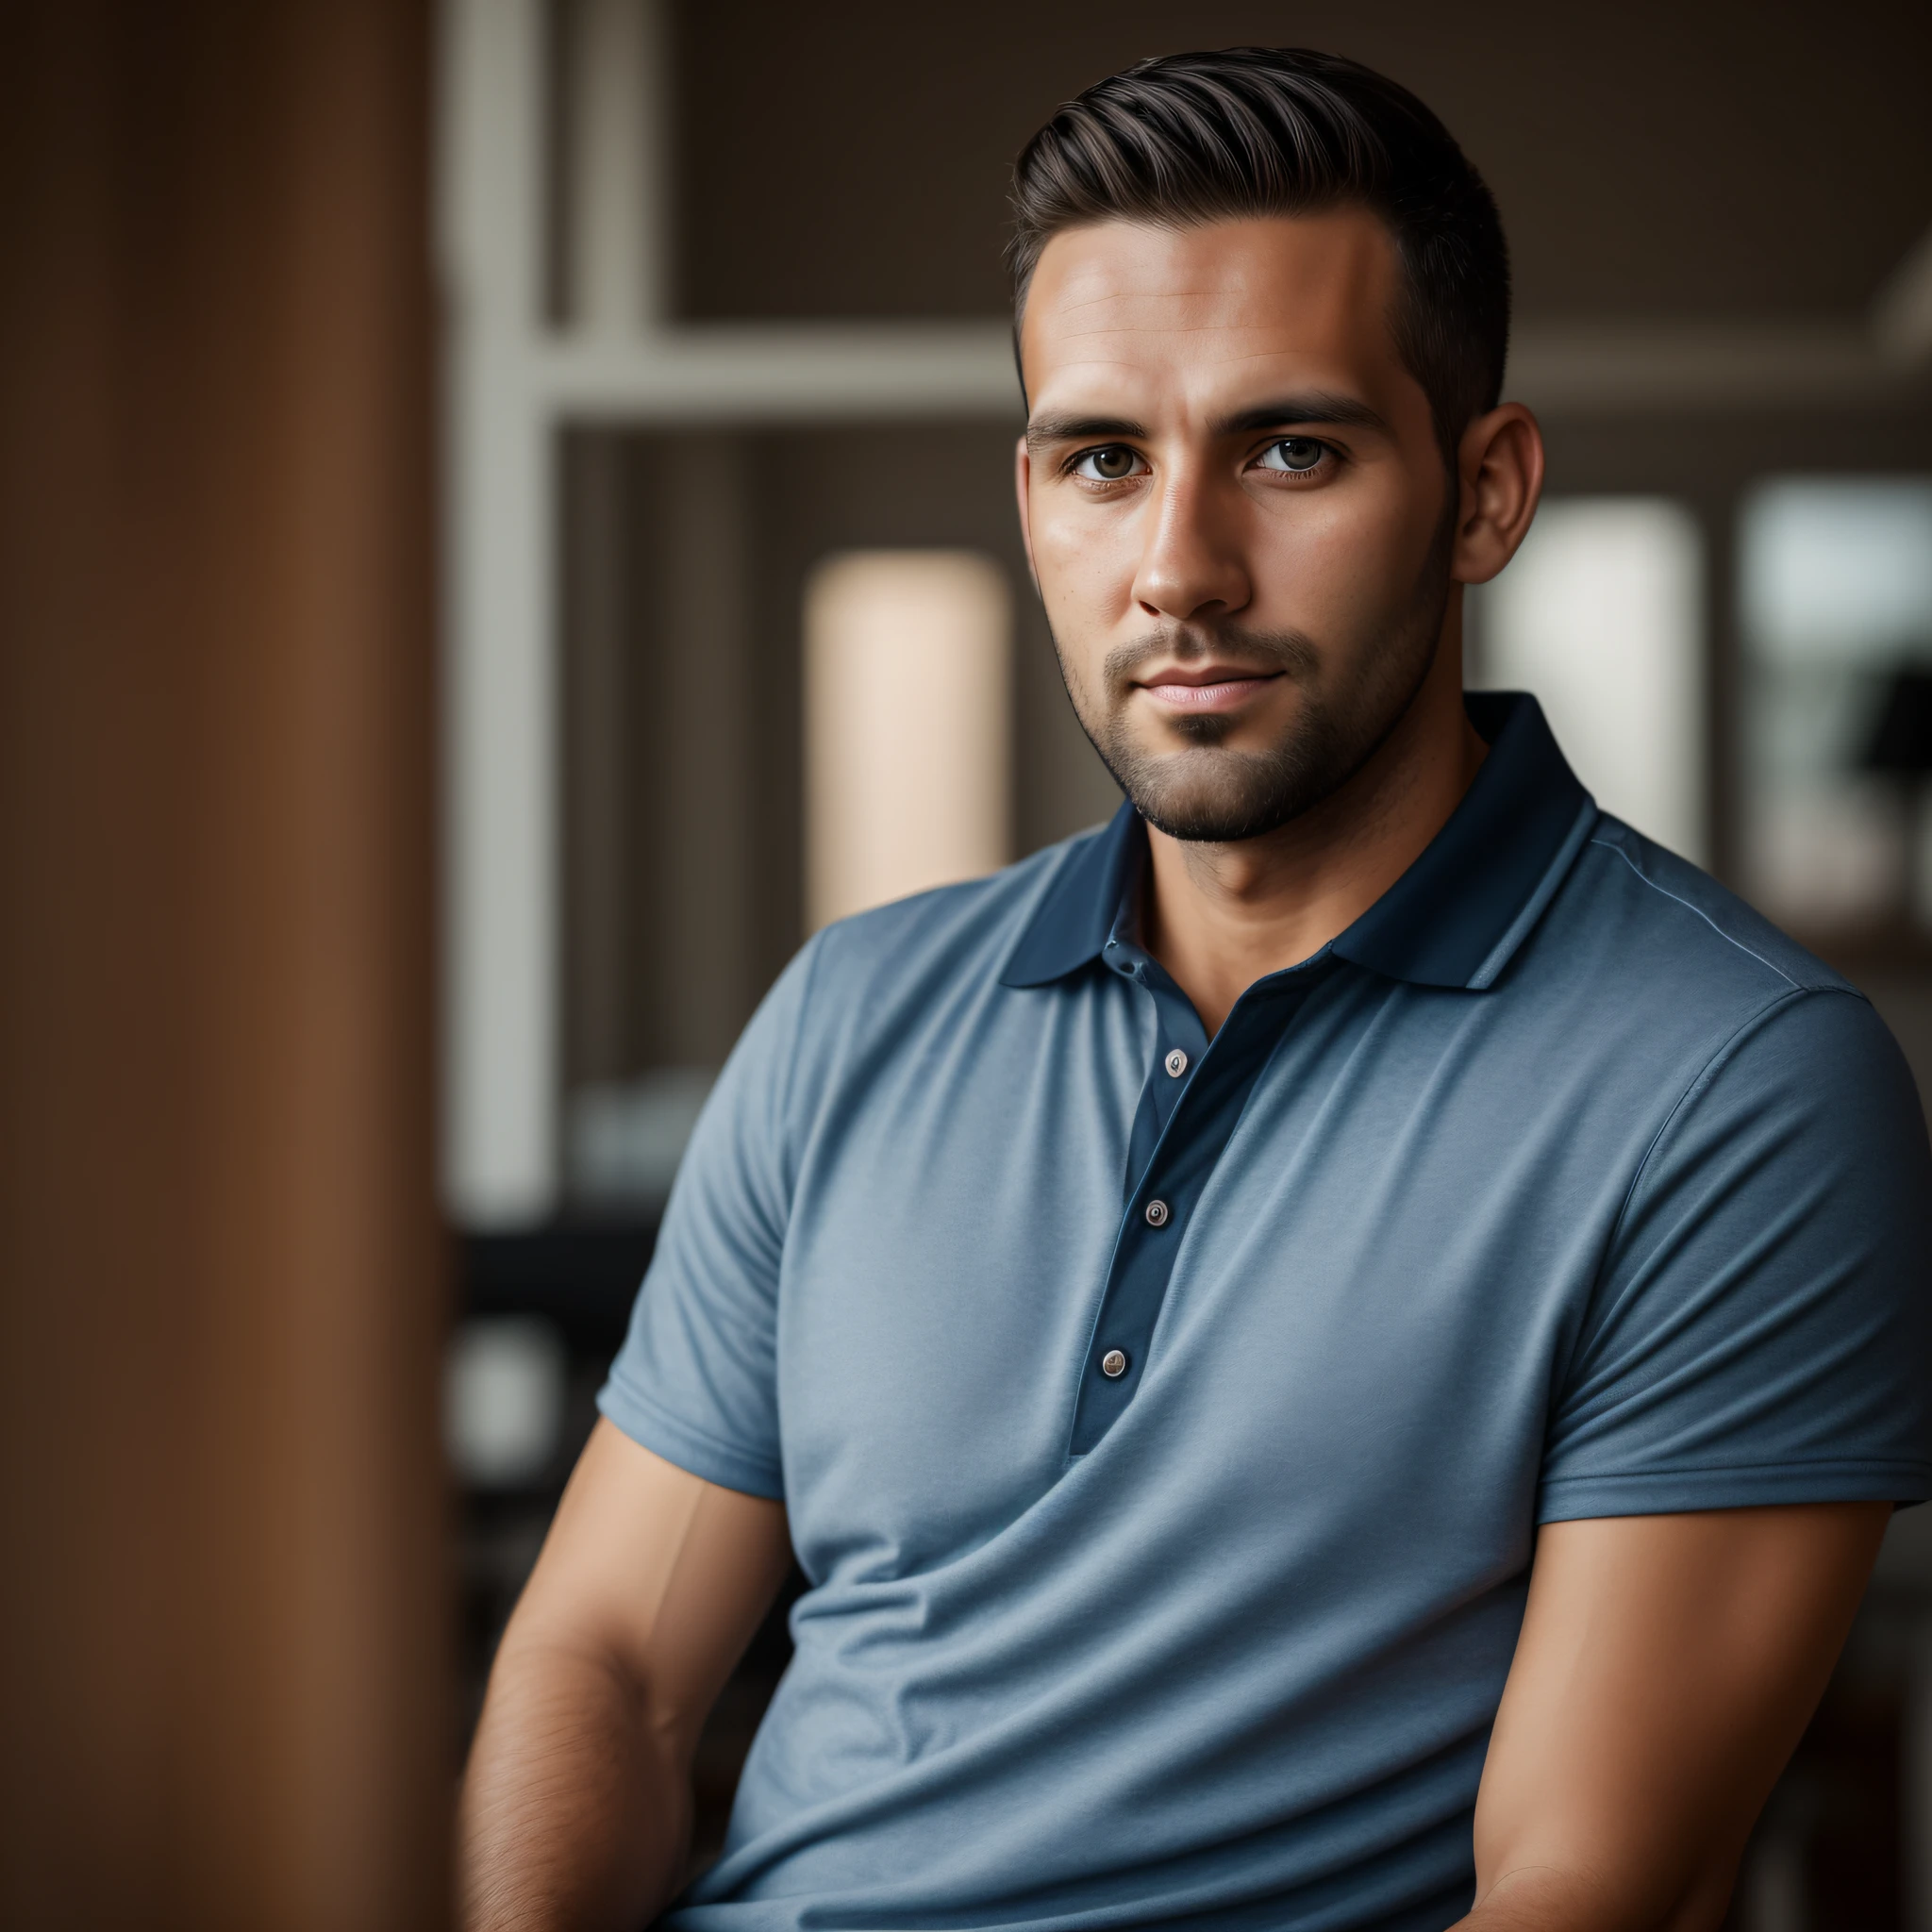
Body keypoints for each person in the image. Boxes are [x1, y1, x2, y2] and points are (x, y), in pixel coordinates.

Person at [459, 47, 1932, 1932]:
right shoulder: (853, 1013)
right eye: (1102, 460)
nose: (1177, 568)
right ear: (1030, 497)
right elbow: (603, 1662)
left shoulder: (1734, 1080)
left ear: (1483, 493)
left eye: (1290, 450)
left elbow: (1588, 1882)